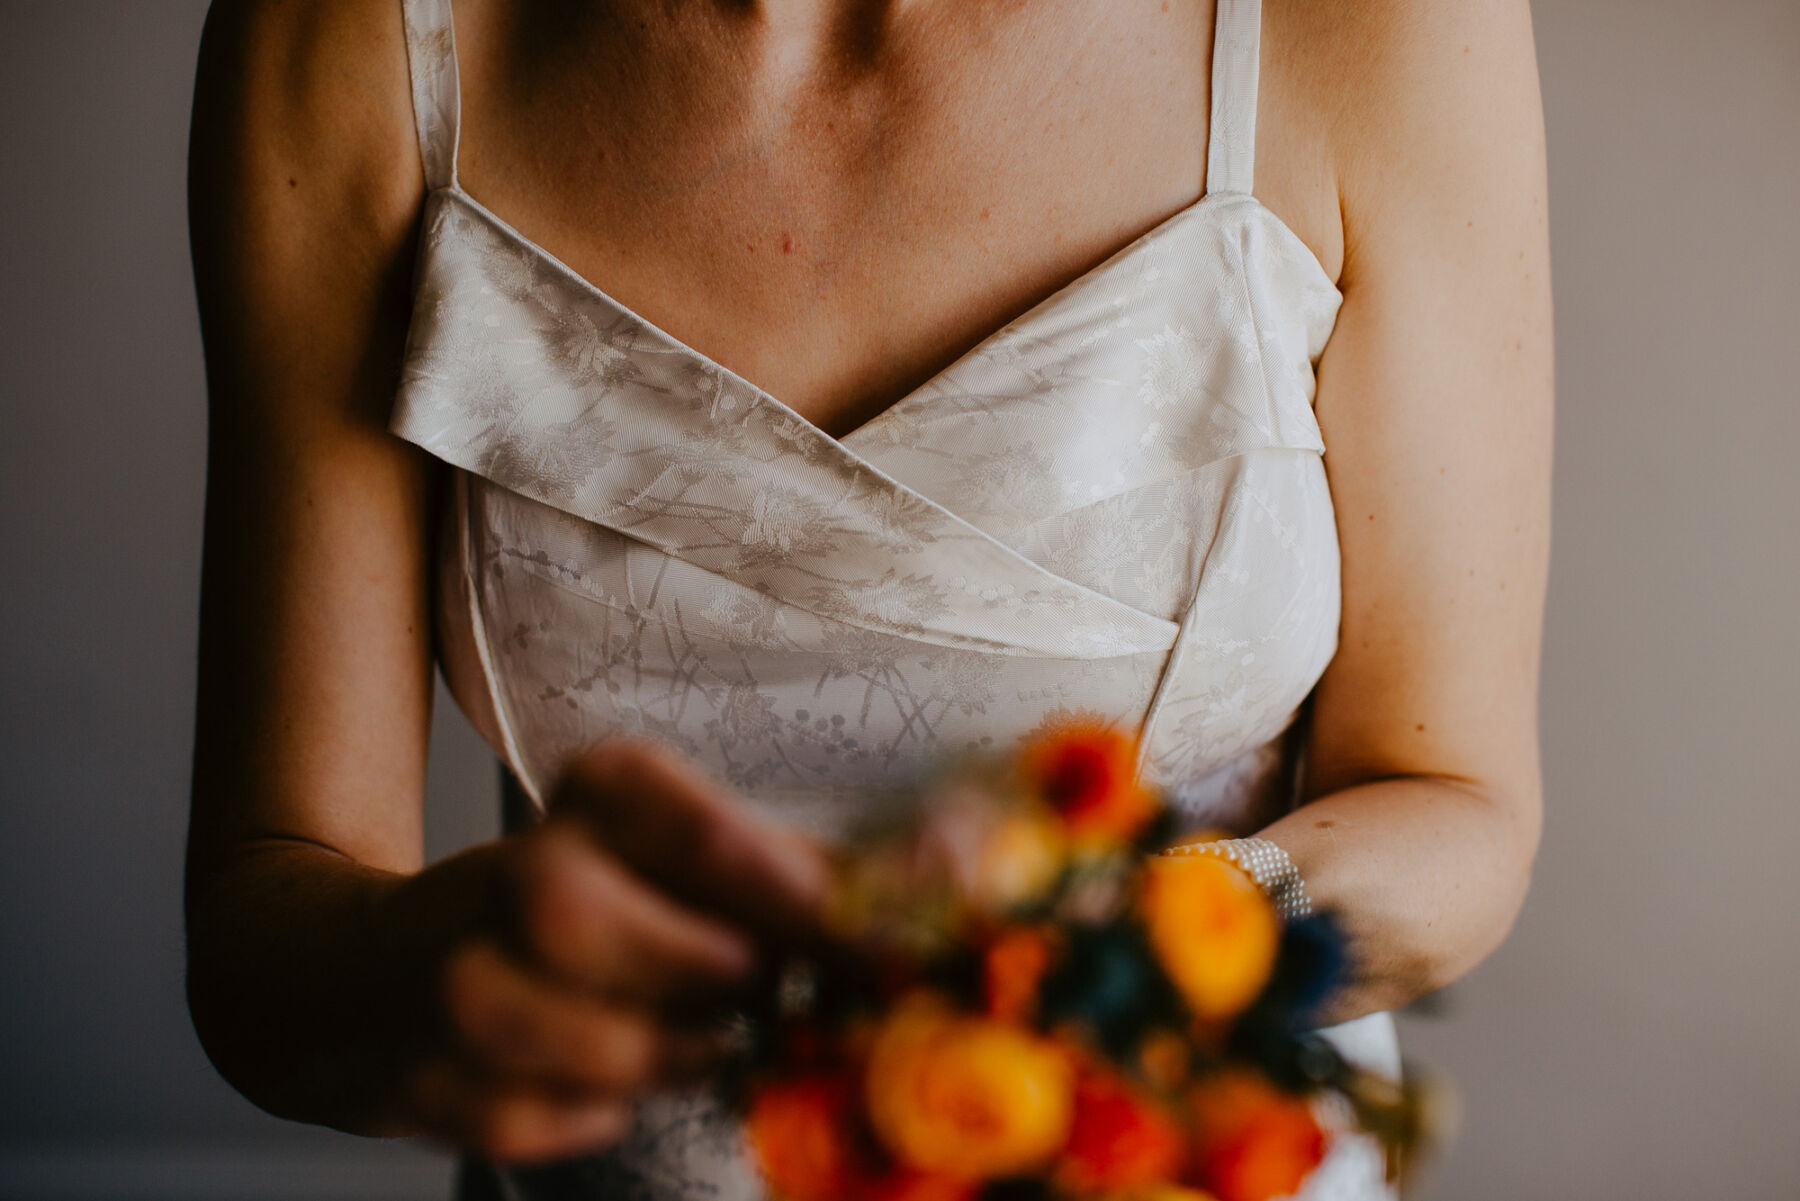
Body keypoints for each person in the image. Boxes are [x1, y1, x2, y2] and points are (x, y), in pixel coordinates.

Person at [184, 0, 1551, 1197]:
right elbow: (265, 916)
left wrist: (1132, 959)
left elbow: (1457, 805)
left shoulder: (1377, 22)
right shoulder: (351, 36)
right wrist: (426, 976)